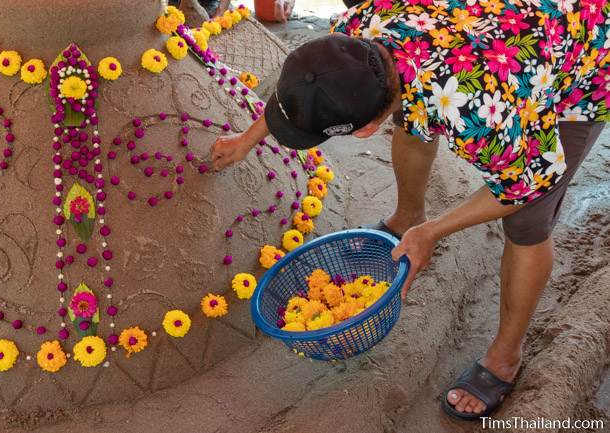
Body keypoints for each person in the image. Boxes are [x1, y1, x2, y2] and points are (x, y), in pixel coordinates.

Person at [210, 0, 608, 420]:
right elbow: (307, 88)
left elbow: (523, 185)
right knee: (413, 119)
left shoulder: (475, 105)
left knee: (526, 222)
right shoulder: (358, 32)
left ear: (364, 131)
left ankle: (505, 357)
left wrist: (435, 230)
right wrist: (246, 138)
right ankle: (405, 221)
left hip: (580, 50)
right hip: (491, 30)